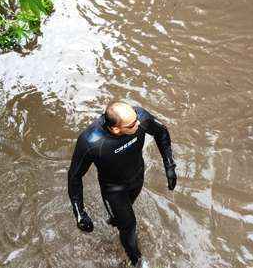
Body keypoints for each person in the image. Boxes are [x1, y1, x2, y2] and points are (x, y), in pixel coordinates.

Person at [68, 101, 177, 267]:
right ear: (116, 129)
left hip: (137, 178)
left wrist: (169, 165)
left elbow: (161, 132)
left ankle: (115, 220)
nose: (139, 124)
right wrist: (79, 212)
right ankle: (136, 260)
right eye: (133, 124)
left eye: (136, 118)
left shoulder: (139, 117)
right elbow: (74, 176)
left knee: (120, 219)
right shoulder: (91, 142)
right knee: (129, 225)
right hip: (114, 190)